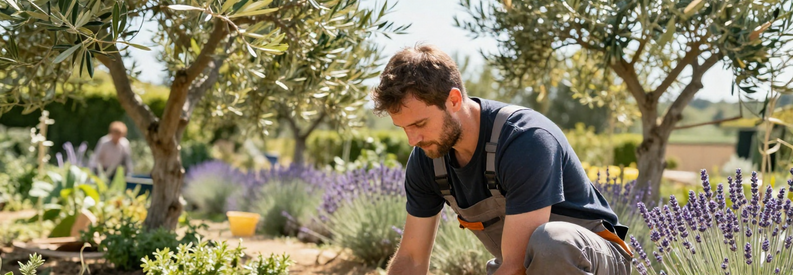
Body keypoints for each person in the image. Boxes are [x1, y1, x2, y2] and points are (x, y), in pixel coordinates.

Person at [372, 44, 632, 275]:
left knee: (552, 242)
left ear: (453, 100)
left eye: (420, 124)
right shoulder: (428, 158)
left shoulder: (525, 140)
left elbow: (517, 266)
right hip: (519, 266)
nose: (412, 140)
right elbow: (411, 259)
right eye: (403, 128)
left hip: (597, 261)